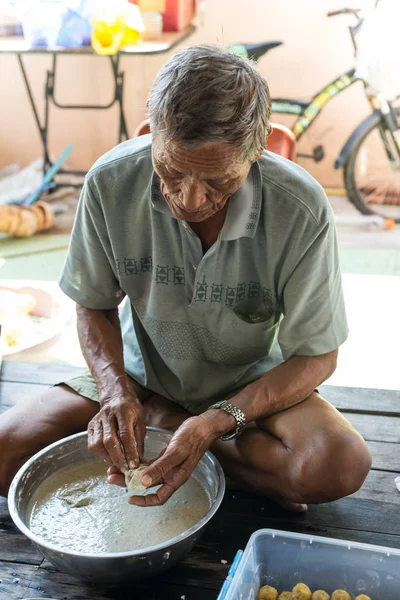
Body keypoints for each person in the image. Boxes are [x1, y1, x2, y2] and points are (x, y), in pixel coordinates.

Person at [0, 45, 371, 511]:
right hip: (140, 378)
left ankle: (172, 432)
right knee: (4, 456)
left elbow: (317, 356)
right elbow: (92, 304)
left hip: (249, 388)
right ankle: (202, 450)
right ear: (153, 135)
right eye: (172, 170)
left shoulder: (301, 208)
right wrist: (115, 391)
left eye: (218, 180)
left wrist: (219, 419)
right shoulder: (109, 183)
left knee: (338, 465)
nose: (191, 199)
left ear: (257, 152)